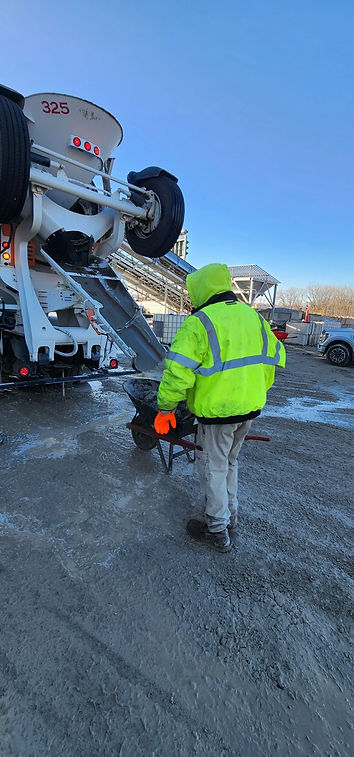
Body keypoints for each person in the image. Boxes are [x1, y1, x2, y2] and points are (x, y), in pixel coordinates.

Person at [154, 263, 286, 553]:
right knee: (229, 463)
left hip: (218, 414)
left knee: (213, 467)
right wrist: (252, 394)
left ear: (202, 289)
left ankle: (216, 530)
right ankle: (231, 519)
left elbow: (177, 373)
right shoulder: (253, 317)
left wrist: (165, 409)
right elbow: (275, 359)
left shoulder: (200, 322)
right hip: (249, 409)